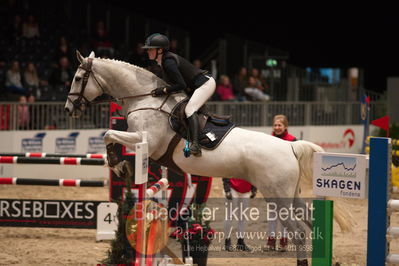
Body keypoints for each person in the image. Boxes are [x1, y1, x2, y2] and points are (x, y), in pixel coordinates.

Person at [142, 33, 216, 156]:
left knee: (190, 109)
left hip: (205, 83)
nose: (148, 51)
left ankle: (196, 145)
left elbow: (181, 84)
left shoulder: (168, 62)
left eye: (150, 49)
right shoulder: (162, 61)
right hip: (195, 86)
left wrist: (164, 90)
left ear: (160, 50)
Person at [265, 114, 297, 252]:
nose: (277, 128)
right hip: (272, 182)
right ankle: (271, 241)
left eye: (280, 125)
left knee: (285, 213)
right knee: (272, 213)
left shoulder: (293, 141)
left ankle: (284, 241)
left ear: (285, 126)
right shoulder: (268, 140)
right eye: (275, 125)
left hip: (287, 183)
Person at [223, 178, 257, 252]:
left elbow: (254, 171)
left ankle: (240, 242)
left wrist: (254, 188)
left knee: (243, 217)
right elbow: (226, 171)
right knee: (229, 216)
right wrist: (227, 189)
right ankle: (227, 241)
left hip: (246, 190)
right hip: (232, 188)